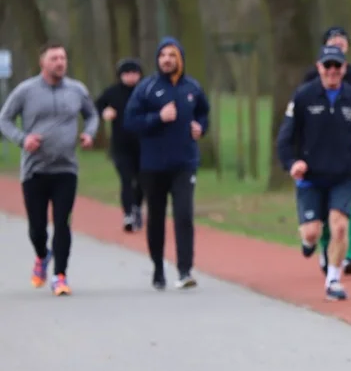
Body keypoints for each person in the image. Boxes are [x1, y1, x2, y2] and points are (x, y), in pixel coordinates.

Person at [278, 44, 351, 301]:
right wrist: (292, 164)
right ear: (319, 67)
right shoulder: (303, 97)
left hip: (343, 175)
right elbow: (285, 138)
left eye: (337, 66)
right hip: (310, 177)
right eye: (327, 66)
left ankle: (333, 281)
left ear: (344, 68)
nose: (332, 71)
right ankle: (312, 243)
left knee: (340, 228)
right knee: (311, 232)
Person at [0, 42, 98, 296]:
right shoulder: (26, 90)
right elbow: (4, 119)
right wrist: (23, 140)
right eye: (54, 58)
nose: (60, 63)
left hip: (66, 169)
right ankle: (42, 256)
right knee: (37, 227)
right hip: (35, 170)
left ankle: (60, 276)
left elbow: (92, 115)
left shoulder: (77, 90)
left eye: (63, 58)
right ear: (43, 62)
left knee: (63, 223)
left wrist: (88, 133)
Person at [124, 37, 210, 291]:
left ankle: (185, 270)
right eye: (162, 55)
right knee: (157, 217)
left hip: (184, 162)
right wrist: (157, 118)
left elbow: (203, 112)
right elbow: (131, 121)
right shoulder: (147, 88)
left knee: (184, 215)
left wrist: (200, 127)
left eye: (172, 55)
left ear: (180, 58)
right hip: (153, 164)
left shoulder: (192, 87)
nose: (167, 60)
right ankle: (158, 267)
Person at [302, 26, 351, 276]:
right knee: (323, 210)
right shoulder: (311, 79)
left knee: (348, 209)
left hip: (348, 150)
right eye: (333, 41)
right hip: (317, 154)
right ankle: (323, 248)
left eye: (342, 41)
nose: (338, 45)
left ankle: (347, 256)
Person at [94, 58, 144, 232]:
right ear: (120, 76)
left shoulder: (144, 91)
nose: (131, 77)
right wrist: (104, 112)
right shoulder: (113, 92)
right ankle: (128, 213)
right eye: (127, 74)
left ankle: (137, 206)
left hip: (143, 145)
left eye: (134, 73)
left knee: (143, 181)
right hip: (121, 146)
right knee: (126, 180)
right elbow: (96, 105)